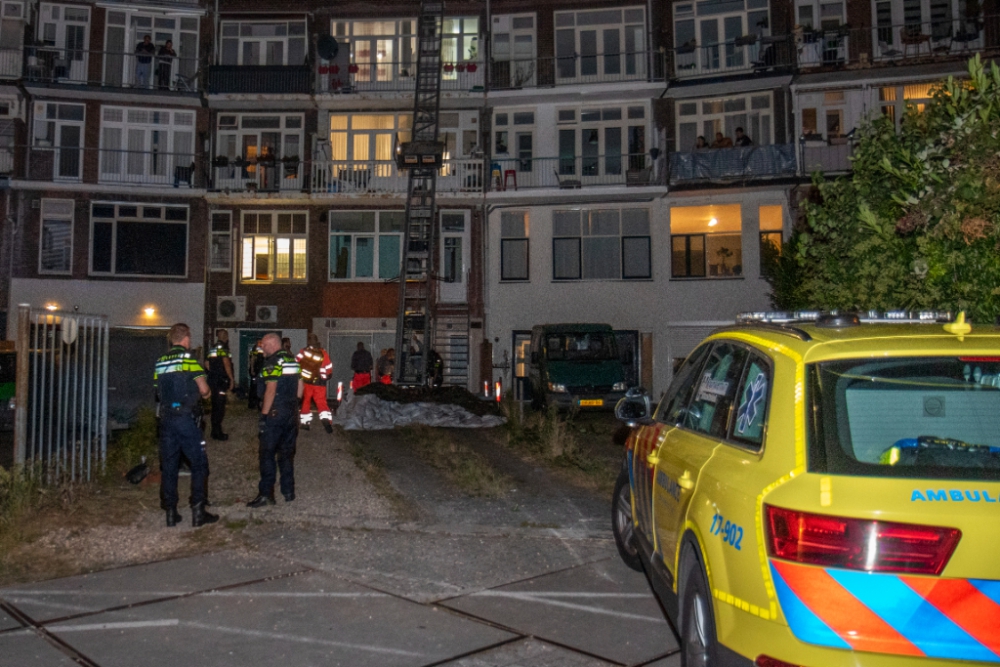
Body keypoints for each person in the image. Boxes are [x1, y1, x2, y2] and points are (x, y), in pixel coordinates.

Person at [154, 323, 218, 528]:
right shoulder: (190, 361)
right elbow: (205, 390)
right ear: (187, 339)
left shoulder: (160, 362)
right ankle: (198, 512)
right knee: (199, 464)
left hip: (165, 418)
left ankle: (171, 513)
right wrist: (205, 394)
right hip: (186, 418)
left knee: (170, 466)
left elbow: (158, 391)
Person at [248, 333, 303, 507]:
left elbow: (270, 390)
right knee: (287, 454)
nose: (261, 348)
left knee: (267, 454)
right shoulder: (293, 361)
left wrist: (264, 416)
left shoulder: (272, 363)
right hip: (291, 413)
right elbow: (300, 389)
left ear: (272, 344)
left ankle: (266, 494)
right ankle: (288, 491)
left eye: (263, 345)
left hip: (275, 413)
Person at [297, 333, 334, 433]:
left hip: (307, 381)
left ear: (308, 342)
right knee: (321, 402)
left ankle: (305, 423)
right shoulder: (323, 353)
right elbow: (329, 368)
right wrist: (328, 375)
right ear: (317, 341)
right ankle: (326, 422)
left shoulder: (304, 351)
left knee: (306, 401)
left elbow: (297, 362)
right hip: (320, 382)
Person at [205, 329, 235, 441]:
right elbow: (227, 364)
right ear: (225, 336)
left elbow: (206, 364)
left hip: (212, 381)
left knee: (214, 406)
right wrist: (231, 379)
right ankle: (217, 433)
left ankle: (214, 430)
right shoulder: (224, 349)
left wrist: (213, 372)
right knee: (220, 407)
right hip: (220, 381)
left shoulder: (211, 349)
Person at [247, 338, 264, 409]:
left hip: (260, 370)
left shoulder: (262, 349)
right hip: (256, 370)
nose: (260, 343)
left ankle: (258, 403)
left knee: (259, 387)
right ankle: (252, 403)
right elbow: (252, 359)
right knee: (254, 387)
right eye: (259, 342)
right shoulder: (255, 350)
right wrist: (252, 369)